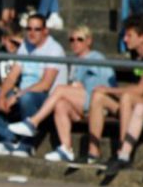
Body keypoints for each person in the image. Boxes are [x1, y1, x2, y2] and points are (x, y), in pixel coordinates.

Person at [7, 25, 116, 162]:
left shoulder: (96, 57)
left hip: (97, 102)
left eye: (79, 39)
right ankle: (66, 148)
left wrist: (83, 86)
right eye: (72, 39)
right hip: (82, 104)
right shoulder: (75, 62)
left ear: (88, 41)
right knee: (60, 104)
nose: (75, 42)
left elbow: (106, 84)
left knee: (60, 90)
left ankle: (33, 122)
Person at [0, 12, 66, 156]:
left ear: (45, 31)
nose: (32, 33)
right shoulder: (25, 46)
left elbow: (45, 85)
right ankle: (10, 139)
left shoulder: (54, 49)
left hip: (46, 98)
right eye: (29, 29)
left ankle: (27, 144)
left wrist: (17, 95)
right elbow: (12, 75)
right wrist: (2, 96)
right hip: (23, 93)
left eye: (37, 29)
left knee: (27, 98)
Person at [86, 15, 143, 167]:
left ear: (142, 37)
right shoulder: (136, 56)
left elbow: (139, 90)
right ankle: (93, 152)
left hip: (140, 106)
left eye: (129, 35)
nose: (125, 39)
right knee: (98, 95)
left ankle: (122, 152)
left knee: (126, 96)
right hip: (132, 106)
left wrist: (110, 89)